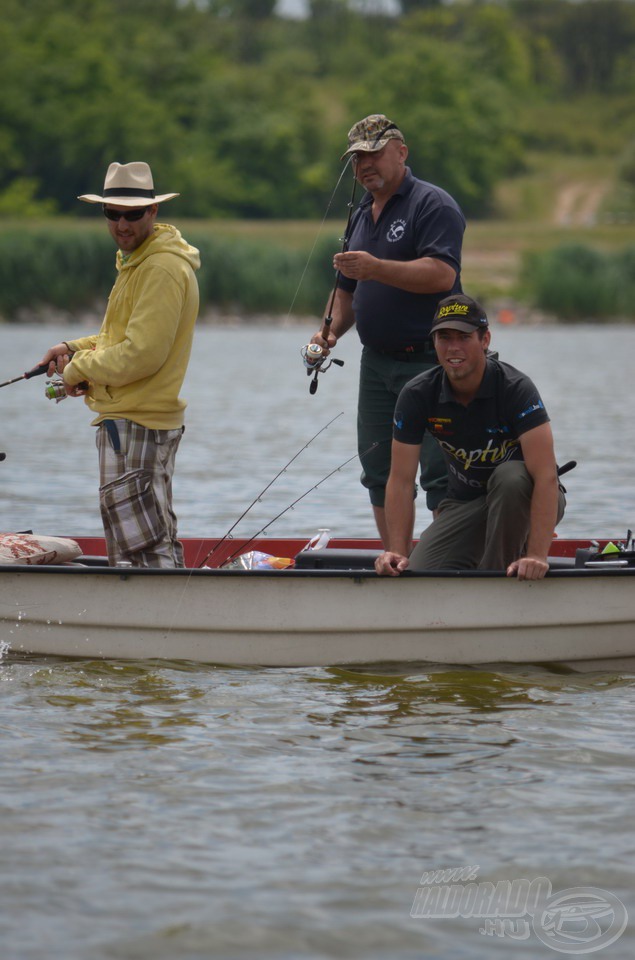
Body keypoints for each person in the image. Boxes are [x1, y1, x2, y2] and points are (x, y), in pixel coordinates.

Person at [308, 114, 465, 544]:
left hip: (432, 361)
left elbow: (441, 276)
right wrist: (329, 332)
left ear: (401, 151)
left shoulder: (433, 204)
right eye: (357, 159)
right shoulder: (360, 214)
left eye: (373, 154)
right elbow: (345, 291)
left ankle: (443, 561)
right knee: (378, 469)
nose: (364, 166)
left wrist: (376, 268)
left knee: (440, 471)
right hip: (375, 364)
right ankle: (396, 559)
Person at [36, 161, 200, 568]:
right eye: (113, 213)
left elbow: (141, 354)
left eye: (133, 214)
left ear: (154, 212)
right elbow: (119, 338)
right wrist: (71, 347)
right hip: (129, 424)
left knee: (141, 550)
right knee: (138, 547)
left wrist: (76, 370)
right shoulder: (138, 262)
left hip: (137, 424)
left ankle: (161, 625)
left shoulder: (160, 267)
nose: (122, 224)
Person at [375, 294, 566, 581]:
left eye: (464, 337)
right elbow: (401, 481)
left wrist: (538, 555)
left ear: (485, 340)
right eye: (444, 337)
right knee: (416, 573)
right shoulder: (417, 394)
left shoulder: (517, 388)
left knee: (511, 477)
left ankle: (498, 577)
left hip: (526, 495)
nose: (453, 348)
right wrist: (398, 553)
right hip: (465, 504)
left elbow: (546, 477)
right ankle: (492, 570)